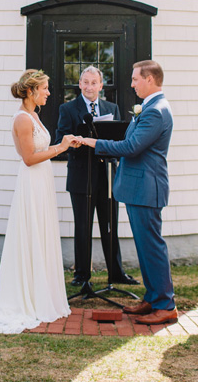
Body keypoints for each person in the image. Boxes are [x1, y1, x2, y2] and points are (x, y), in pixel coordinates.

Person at [0, 69, 78, 333]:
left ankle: (41, 292)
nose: (49, 93)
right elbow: (29, 158)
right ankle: (27, 296)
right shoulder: (22, 119)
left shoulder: (34, 116)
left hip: (41, 180)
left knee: (41, 234)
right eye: (45, 88)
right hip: (31, 181)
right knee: (31, 234)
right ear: (31, 91)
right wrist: (61, 147)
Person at [77, 60, 176, 325]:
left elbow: (131, 146)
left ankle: (166, 304)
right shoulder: (150, 108)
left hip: (146, 188)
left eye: (135, 79)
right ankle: (153, 297)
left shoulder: (156, 111)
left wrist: (93, 142)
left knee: (152, 247)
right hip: (136, 188)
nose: (131, 84)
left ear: (150, 80)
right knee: (144, 248)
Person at [55, 65, 136, 287]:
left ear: (101, 85)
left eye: (94, 82)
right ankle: (82, 274)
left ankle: (116, 272)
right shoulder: (68, 109)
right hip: (81, 176)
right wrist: (81, 142)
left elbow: (120, 141)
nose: (90, 86)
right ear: (79, 84)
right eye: (86, 82)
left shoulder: (112, 107)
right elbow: (61, 139)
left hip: (108, 176)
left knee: (110, 226)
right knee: (82, 226)